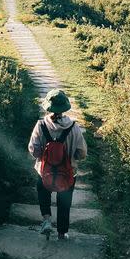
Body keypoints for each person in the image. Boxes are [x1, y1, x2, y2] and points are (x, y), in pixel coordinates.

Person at [28, 89, 87, 240]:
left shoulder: (41, 125)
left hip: (44, 171)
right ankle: (62, 233)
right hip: (67, 174)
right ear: (65, 107)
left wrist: (45, 155)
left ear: (48, 107)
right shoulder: (74, 128)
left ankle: (46, 220)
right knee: (64, 203)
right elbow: (82, 153)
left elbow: (34, 150)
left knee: (43, 194)